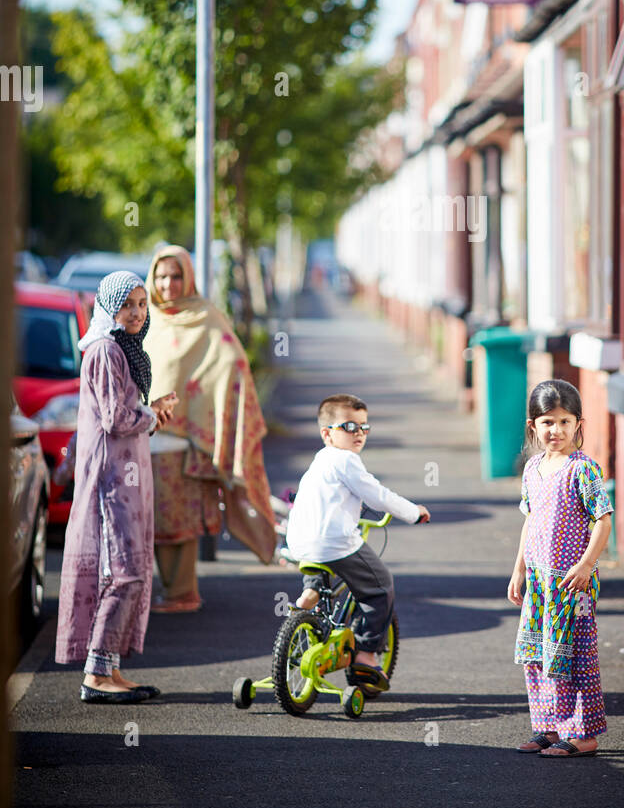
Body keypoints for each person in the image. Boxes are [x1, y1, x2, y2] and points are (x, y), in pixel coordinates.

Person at [55, 271, 177, 702]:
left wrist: (151, 415)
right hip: (111, 479)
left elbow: (127, 417)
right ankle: (96, 675)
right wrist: (152, 413)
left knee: (128, 570)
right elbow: (116, 418)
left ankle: (108, 669)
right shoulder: (106, 350)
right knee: (124, 572)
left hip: (125, 476)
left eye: (143, 305)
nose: (137, 313)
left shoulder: (125, 350)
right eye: (128, 304)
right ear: (109, 307)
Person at [143, 245, 276, 611]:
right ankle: (168, 592)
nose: (168, 284)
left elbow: (232, 360)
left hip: (183, 443)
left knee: (176, 521)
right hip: (142, 438)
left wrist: (208, 414)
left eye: (176, 276)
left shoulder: (205, 316)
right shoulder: (146, 317)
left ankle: (182, 594)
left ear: (188, 278)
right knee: (151, 521)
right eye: (161, 276)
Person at [283, 394, 430, 691]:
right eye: (349, 426)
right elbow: (379, 495)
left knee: (323, 560)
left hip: (299, 541)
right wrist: (414, 513)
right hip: (334, 542)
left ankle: (311, 590)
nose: (359, 433)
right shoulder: (347, 460)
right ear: (327, 433)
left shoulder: (320, 460)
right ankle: (365, 654)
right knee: (379, 587)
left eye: (364, 426)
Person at [507, 379, 612, 757]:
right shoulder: (533, 468)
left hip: (572, 584)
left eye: (565, 422)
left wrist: (587, 564)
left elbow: (603, 521)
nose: (557, 431)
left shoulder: (582, 469)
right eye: (548, 422)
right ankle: (548, 727)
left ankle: (581, 734)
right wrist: (518, 569)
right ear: (533, 425)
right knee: (537, 655)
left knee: (573, 655)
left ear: (578, 424)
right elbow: (530, 521)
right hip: (537, 580)